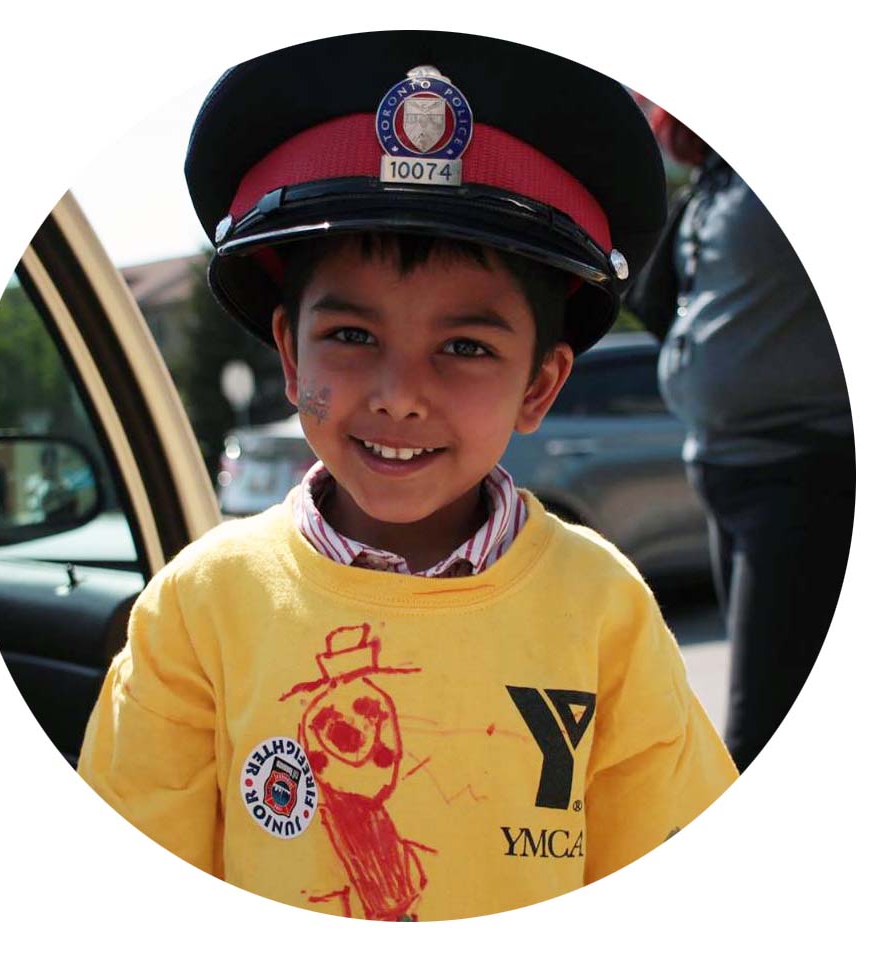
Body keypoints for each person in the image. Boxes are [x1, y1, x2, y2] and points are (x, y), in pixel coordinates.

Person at [77, 32, 738, 921]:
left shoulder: (602, 611)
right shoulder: (198, 609)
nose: (398, 396)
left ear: (539, 383)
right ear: (287, 351)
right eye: (351, 336)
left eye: (464, 347)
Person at [627, 107, 855, 773]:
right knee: (778, 690)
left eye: (655, 106)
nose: (652, 117)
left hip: (799, 465)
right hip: (725, 465)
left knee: (760, 720)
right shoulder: (713, 186)